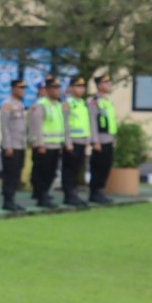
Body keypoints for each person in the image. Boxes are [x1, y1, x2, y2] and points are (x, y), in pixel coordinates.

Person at [28, 75, 64, 208]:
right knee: (42, 172)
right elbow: (36, 126)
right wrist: (39, 143)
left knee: (51, 172)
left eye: (58, 87)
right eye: (54, 88)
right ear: (47, 89)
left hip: (55, 145)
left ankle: (45, 194)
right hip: (44, 145)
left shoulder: (58, 105)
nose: (58, 90)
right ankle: (41, 196)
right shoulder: (41, 105)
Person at [0, 78, 28, 212]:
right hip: (11, 146)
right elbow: (5, 127)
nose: (23, 91)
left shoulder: (20, 105)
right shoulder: (7, 105)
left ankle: (12, 199)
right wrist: (7, 145)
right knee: (10, 174)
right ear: (13, 89)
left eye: (24, 88)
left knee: (16, 174)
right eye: (20, 88)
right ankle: (8, 200)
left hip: (20, 144)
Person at [61, 76, 90, 206]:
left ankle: (74, 193)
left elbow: (85, 123)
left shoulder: (82, 103)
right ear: (71, 88)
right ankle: (69, 194)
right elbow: (65, 124)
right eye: (78, 86)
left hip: (81, 141)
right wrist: (67, 142)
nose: (81, 89)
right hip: (72, 141)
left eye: (83, 86)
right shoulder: (68, 103)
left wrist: (87, 138)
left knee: (76, 169)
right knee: (69, 170)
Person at [87, 74, 117, 204]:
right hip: (99, 140)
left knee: (106, 166)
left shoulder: (107, 102)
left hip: (108, 139)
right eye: (106, 83)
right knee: (98, 167)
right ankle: (94, 192)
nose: (109, 85)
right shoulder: (94, 102)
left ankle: (100, 190)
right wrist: (95, 141)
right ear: (99, 85)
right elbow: (92, 122)